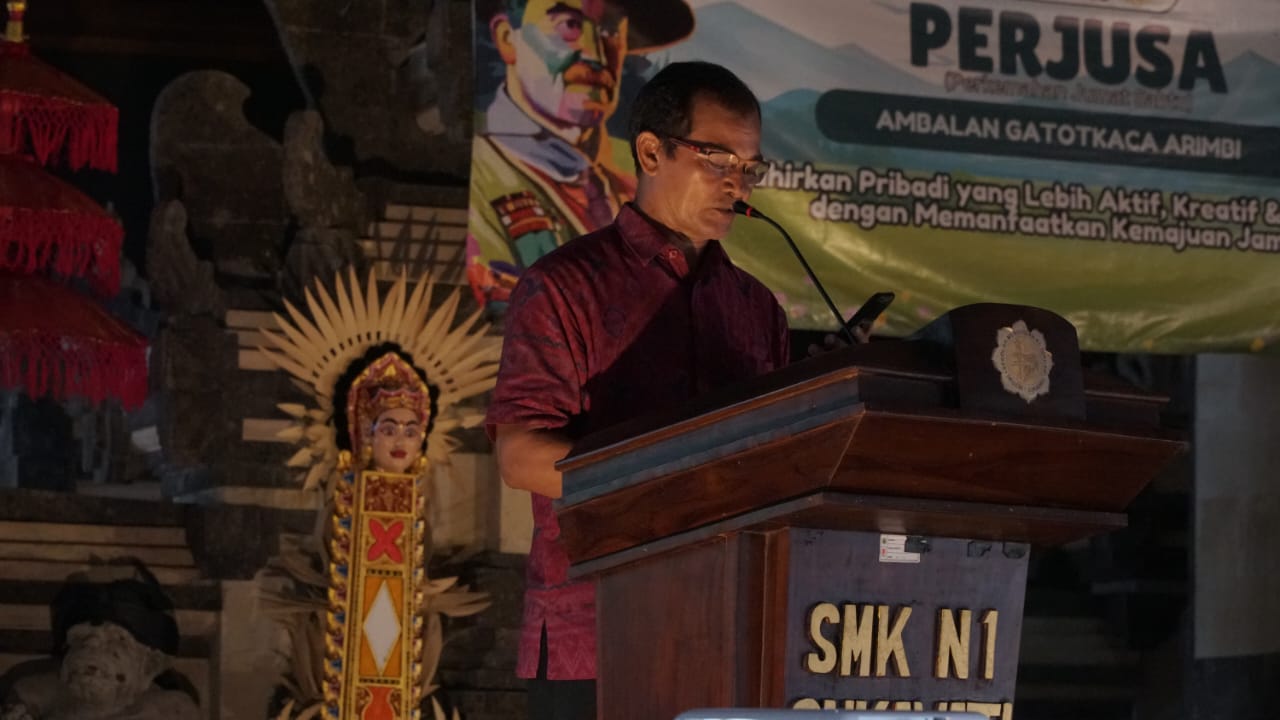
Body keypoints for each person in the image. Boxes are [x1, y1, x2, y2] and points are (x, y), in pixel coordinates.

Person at [486, 61, 788, 720]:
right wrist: (679, 482)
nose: (737, 185)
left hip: (731, 623)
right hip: (597, 626)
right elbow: (521, 456)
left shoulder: (756, 307)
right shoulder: (564, 286)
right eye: (718, 160)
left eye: (749, 168)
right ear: (651, 152)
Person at [468, 0, 694, 308]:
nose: (596, 55)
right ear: (507, 39)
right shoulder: (487, 182)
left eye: (610, 31)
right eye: (570, 26)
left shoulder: (629, 186)